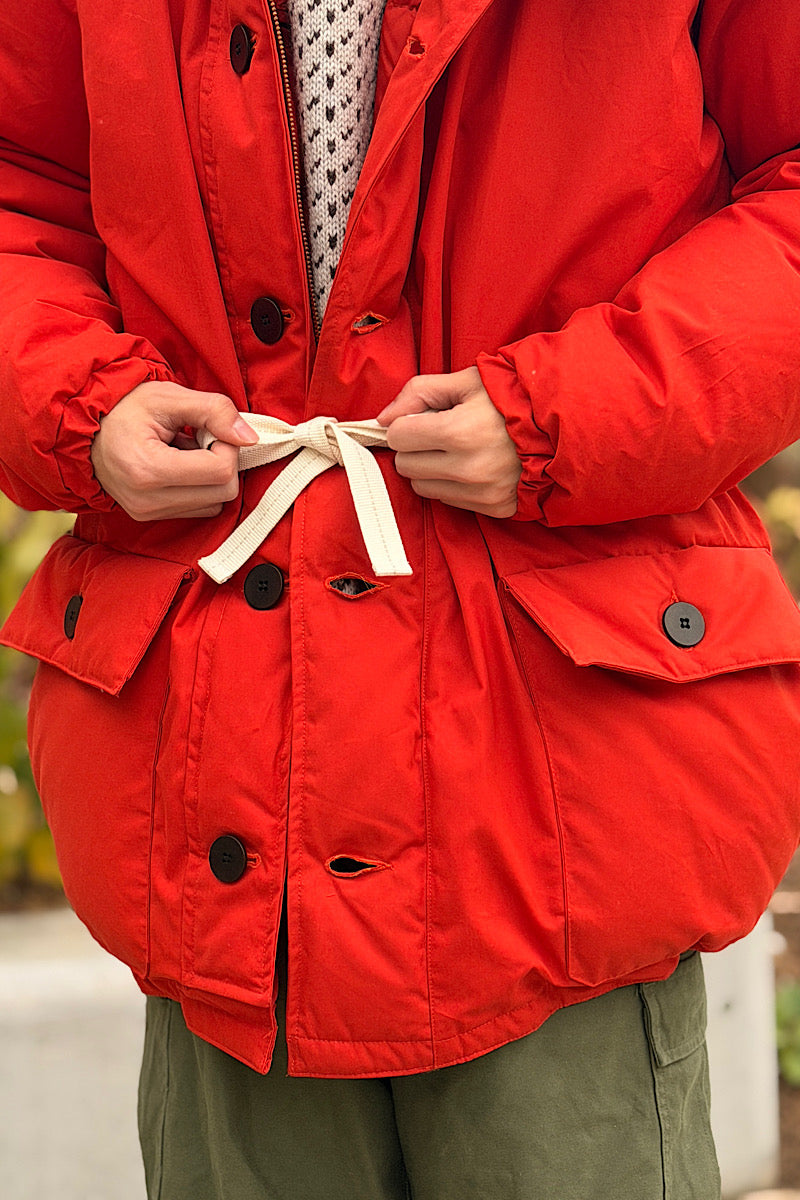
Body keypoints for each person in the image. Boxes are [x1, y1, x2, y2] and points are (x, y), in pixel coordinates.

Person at [2, 1, 800, 1196]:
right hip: (223, 794)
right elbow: (19, 187)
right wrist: (77, 401)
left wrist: (571, 410)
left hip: (557, 799)